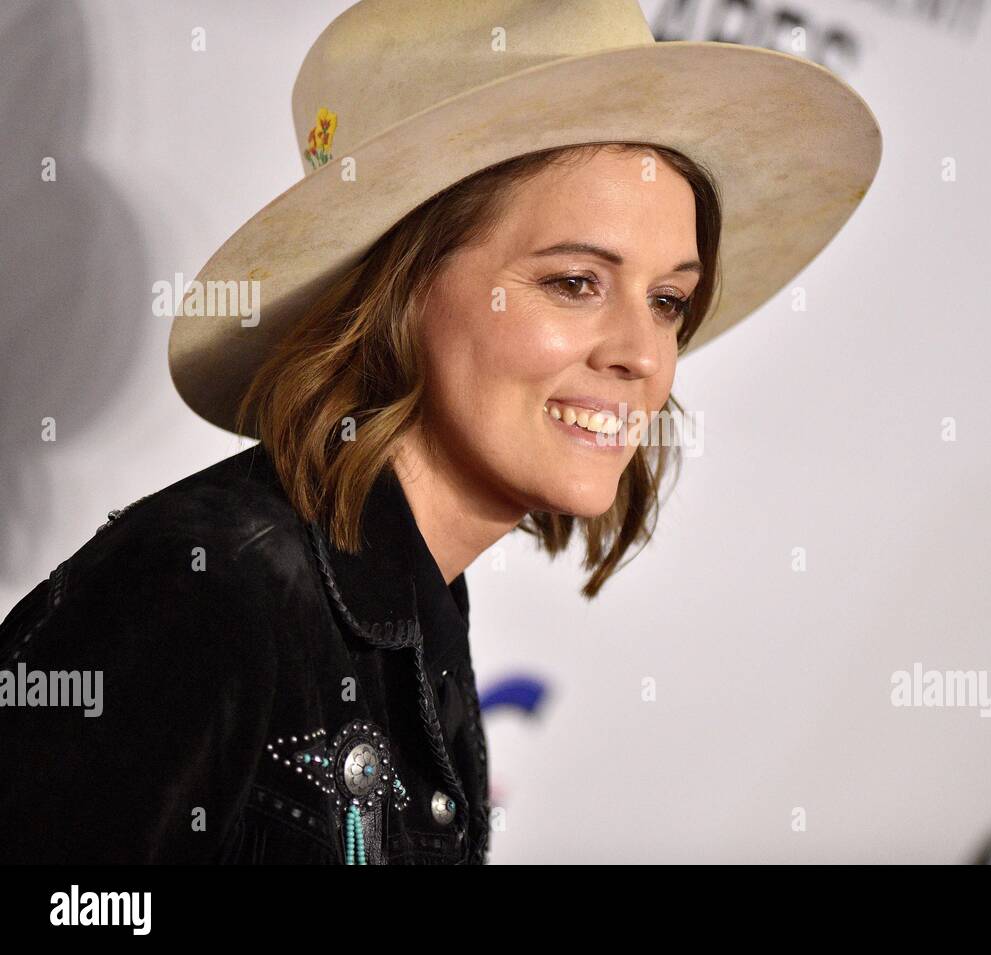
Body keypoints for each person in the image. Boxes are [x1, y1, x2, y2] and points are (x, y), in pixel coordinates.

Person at [0, 0, 882, 864]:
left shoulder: (419, 623)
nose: (641, 355)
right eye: (575, 281)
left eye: (667, 302)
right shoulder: (203, 595)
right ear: (402, 286)